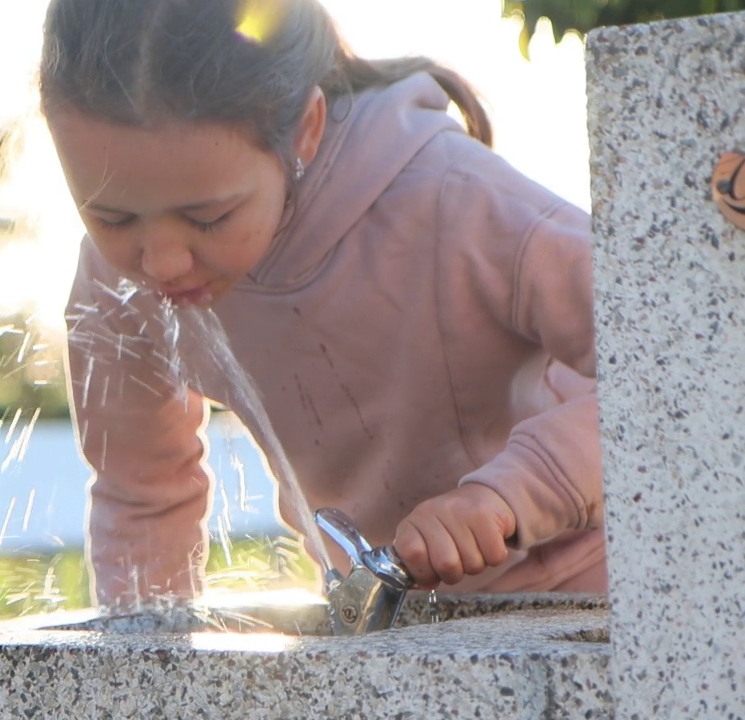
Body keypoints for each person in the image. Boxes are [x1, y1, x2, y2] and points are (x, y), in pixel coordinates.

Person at [37, 0, 605, 606]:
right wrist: (143, 664)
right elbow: (141, 494)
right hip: (378, 623)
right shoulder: (116, 282)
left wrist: (509, 495)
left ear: (305, 128)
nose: (162, 262)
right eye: (110, 216)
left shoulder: (456, 203)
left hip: (593, 595)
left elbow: (675, 372)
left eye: (210, 217)